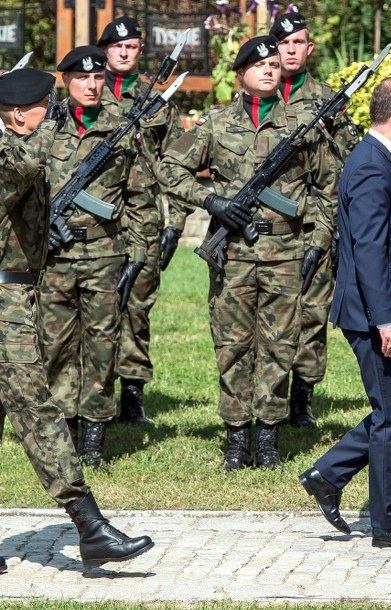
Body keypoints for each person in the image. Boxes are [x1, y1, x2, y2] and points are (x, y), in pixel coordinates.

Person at [159, 36, 339, 470]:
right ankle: (237, 438)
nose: (270, 70)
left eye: (275, 65)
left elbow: (329, 186)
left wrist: (318, 241)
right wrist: (211, 202)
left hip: (286, 251)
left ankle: (270, 436)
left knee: (280, 344)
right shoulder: (217, 124)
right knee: (232, 344)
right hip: (234, 252)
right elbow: (168, 168)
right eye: (260, 66)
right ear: (240, 74)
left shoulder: (303, 126)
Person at [0, 66, 154, 573]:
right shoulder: (7, 153)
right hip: (4, 303)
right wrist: (56, 128)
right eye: (47, 106)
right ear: (17, 115)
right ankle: (90, 527)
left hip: (18, 294)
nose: (56, 113)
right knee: (38, 410)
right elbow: (26, 164)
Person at [299, 77, 391, 551]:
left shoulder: (386, 160)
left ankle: (329, 473)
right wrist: (386, 320)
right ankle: (388, 523)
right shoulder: (369, 166)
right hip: (376, 315)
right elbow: (367, 250)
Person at [39, 45, 146, 470]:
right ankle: (64, 433)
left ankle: (95, 439)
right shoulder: (44, 127)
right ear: (65, 80)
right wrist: (39, 226)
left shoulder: (121, 127)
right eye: (82, 78)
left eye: (98, 77)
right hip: (53, 257)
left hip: (105, 254)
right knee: (54, 347)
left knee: (102, 346)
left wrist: (138, 252)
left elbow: (141, 197)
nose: (92, 85)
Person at [269, 12, 359, 429]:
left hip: (315, 221)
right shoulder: (259, 92)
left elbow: (348, 160)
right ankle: (267, 392)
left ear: (309, 48)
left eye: (298, 43)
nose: (290, 50)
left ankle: (302, 397)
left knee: (311, 311)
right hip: (268, 225)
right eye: (283, 43)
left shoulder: (328, 100)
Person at [97, 16, 184, 426]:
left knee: (137, 306)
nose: (124, 52)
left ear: (140, 51)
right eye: (117, 46)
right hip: (96, 219)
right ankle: (94, 394)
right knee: (94, 304)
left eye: (131, 46)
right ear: (105, 50)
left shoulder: (158, 99)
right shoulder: (86, 92)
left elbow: (176, 163)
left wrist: (176, 221)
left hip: (144, 219)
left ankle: (132, 394)